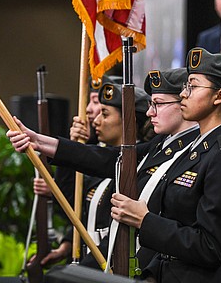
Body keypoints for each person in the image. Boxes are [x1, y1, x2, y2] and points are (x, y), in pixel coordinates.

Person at [10, 69, 200, 272]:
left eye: (159, 104)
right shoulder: (161, 145)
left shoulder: (202, 150)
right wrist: (39, 141)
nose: (150, 112)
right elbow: (106, 160)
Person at [110, 48, 221, 282]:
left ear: (219, 97)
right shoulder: (195, 149)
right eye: (185, 86)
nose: (184, 95)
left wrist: (145, 220)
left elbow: (209, 247)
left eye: (193, 86)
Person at [8, 80, 152, 268]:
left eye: (105, 114)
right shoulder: (103, 159)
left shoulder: (138, 165)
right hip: (91, 263)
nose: (96, 120)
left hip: (108, 266)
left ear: (129, 121)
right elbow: (73, 205)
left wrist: (81, 270)